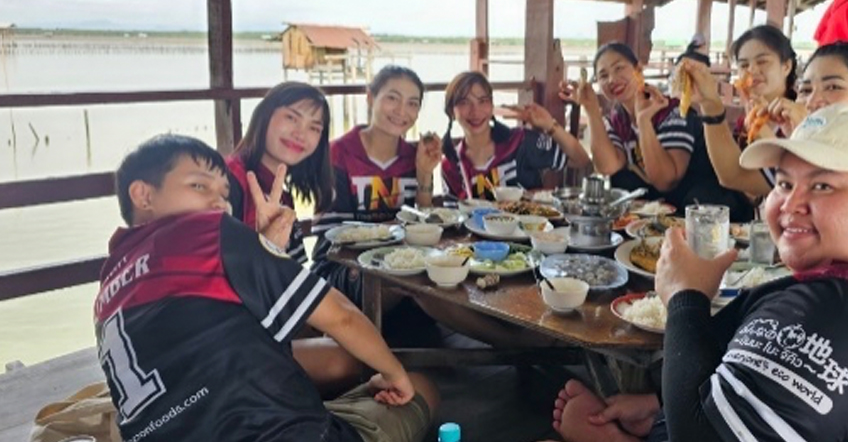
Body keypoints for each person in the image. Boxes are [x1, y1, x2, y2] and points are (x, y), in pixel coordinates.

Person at [487, 105, 848, 442]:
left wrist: (685, 297)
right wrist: (661, 403)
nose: (791, 204)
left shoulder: (846, 313)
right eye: (784, 183)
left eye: (823, 185)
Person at [97, 134, 438, 442]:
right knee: (421, 388)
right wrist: (395, 374)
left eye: (225, 194)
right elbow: (342, 316)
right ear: (143, 194)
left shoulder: (109, 284)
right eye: (199, 185)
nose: (219, 202)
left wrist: (263, 248)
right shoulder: (208, 230)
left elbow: (218, 327)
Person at [561, 42, 749, 217]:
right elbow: (607, 167)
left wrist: (644, 122)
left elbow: (666, 181)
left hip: (709, 209)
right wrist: (591, 109)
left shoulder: (671, 111)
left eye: (619, 68)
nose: (612, 79)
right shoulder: (618, 120)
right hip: (664, 209)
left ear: (638, 69)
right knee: (622, 179)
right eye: (603, 76)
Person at [311, 66, 442, 300]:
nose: (402, 110)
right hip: (340, 266)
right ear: (370, 97)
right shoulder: (337, 154)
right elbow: (334, 236)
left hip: (398, 262)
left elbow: (421, 224)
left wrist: (424, 172)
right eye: (392, 98)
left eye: (412, 103)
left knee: (439, 277)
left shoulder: (412, 155)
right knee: (409, 285)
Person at [677, 26, 797, 201]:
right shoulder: (746, 122)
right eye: (744, 65)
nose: (752, 70)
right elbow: (732, 177)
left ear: (786, 66)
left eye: (762, 62)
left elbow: (742, 181)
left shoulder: (798, 121)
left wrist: (762, 132)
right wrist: (708, 102)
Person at [226, 81, 332, 264]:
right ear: (265, 115)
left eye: (314, 128)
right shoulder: (228, 181)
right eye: (291, 118)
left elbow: (292, 272)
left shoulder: (283, 196)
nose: (300, 134)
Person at [441, 71, 589, 199]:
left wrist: (550, 125)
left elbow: (580, 160)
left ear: (491, 105)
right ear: (451, 112)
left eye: (482, 101)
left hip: (531, 223)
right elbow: (452, 216)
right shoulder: (450, 165)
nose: (475, 111)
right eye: (464, 102)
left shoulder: (520, 142)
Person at [766, 41, 848, 137]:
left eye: (833, 87)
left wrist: (805, 137)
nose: (811, 102)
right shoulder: (793, 139)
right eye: (805, 90)